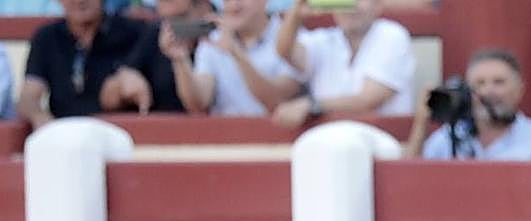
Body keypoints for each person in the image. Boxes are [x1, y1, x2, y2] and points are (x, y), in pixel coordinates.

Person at [271, 0, 415, 128]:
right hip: (326, 138)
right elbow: (285, 52)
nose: (350, 6)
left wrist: (311, 105)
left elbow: (368, 101)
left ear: (378, 4)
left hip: (381, 138)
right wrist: (296, 15)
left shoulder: (391, 34)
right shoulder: (324, 40)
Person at [408, 48, 531, 161]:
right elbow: (409, 183)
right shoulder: (447, 138)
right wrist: (421, 125)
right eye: (480, 83)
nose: (488, 91)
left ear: (519, 90)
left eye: (499, 82)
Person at [17, 0, 145, 129]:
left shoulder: (135, 33)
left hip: (118, 135)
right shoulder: (46, 37)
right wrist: (40, 118)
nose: (79, 1)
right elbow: (28, 96)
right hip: (65, 137)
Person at [167, 0, 303, 115]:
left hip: (275, 141)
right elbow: (198, 103)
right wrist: (180, 59)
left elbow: (276, 101)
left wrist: (235, 53)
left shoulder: (293, 39)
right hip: (224, 139)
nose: (233, 5)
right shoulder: (213, 40)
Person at [99, 0, 214, 114]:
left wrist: (179, 59)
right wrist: (123, 83)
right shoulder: (153, 35)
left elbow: (197, 106)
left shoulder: (217, 39)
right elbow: (108, 98)